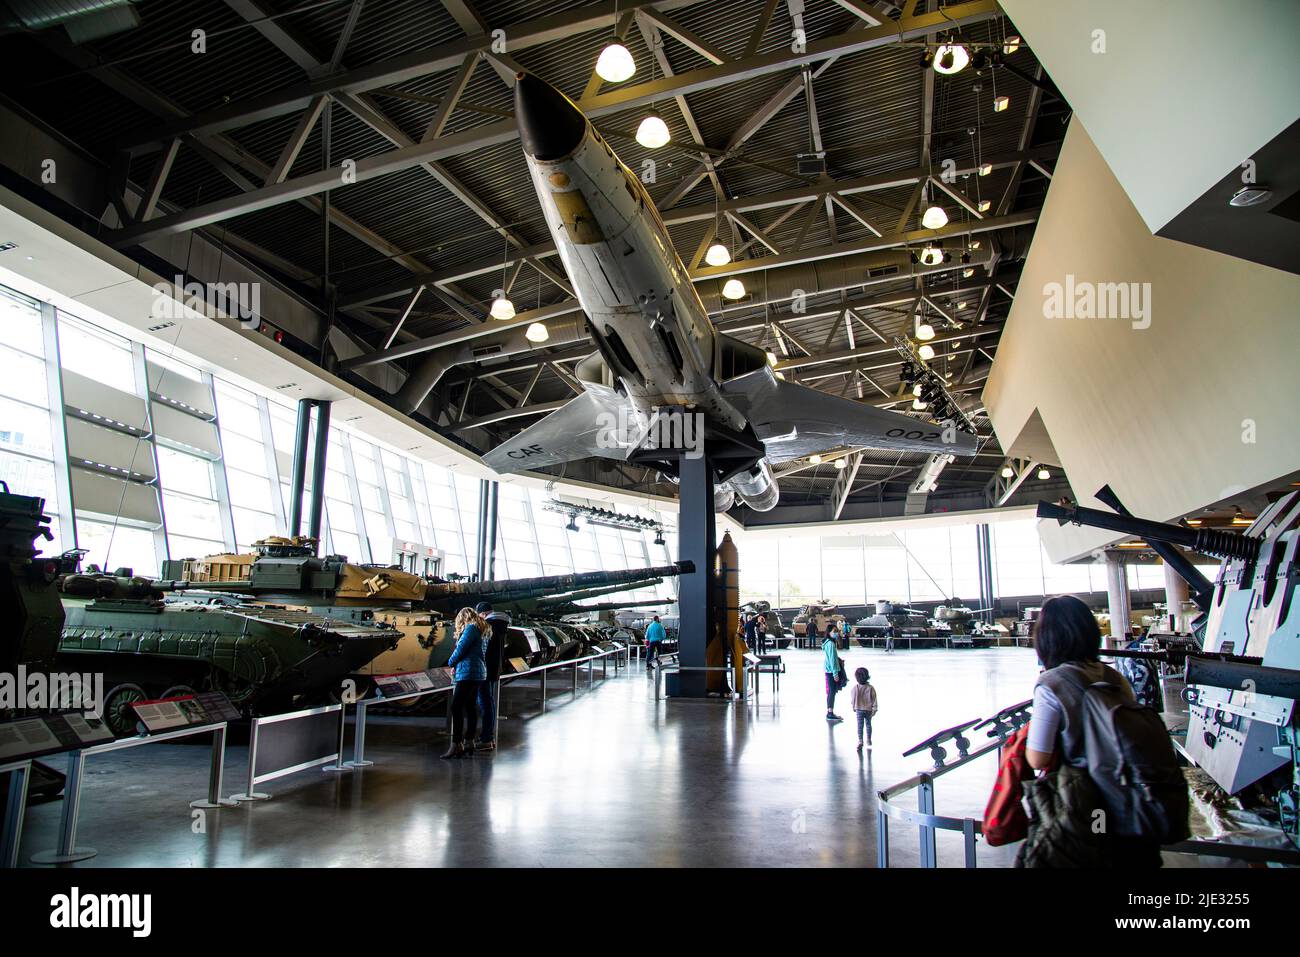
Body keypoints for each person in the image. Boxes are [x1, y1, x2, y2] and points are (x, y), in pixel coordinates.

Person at [1023, 594, 1161, 867]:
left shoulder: (1051, 684)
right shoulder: (1115, 677)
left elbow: (1037, 758)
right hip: (1125, 795)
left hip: (1084, 801)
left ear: (1047, 638)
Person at [443, 607, 487, 759]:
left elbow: (460, 649)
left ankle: (457, 744)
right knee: (469, 706)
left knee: (456, 707)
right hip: (478, 672)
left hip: (468, 672)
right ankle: (470, 741)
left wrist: (451, 662)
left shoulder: (470, 629)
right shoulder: (482, 629)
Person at [474, 601, 509, 752]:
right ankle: (488, 736)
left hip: (484, 669)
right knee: (489, 702)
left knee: (485, 702)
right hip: (494, 668)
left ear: (483, 614)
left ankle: (486, 738)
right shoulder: (501, 625)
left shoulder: (488, 626)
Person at [850, 667, 878, 752]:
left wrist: (854, 707)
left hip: (859, 709)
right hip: (868, 710)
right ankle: (869, 739)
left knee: (860, 726)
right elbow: (874, 699)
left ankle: (860, 741)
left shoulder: (855, 688)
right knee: (868, 724)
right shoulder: (871, 688)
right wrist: (874, 709)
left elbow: (853, 699)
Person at [822, 628, 842, 722]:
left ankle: (830, 711)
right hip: (831, 671)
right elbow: (832, 659)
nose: (836, 633)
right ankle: (830, 712)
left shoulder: (829, 643)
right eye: (834, 632)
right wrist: (835, 673)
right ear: (829, 633)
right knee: (832, 691)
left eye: (837, 631)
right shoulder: (830, 644)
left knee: (831, 691)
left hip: (829, 670)